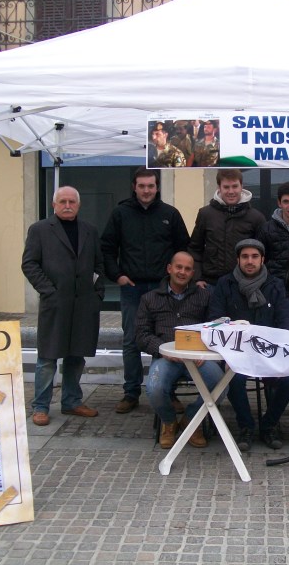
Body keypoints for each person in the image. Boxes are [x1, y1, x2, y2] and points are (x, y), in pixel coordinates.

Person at [101, 168, 190, 414]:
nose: (147, 190)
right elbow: (107, 247)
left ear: (157, 187)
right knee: (131, 340)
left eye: (151, 186)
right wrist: (117, 275)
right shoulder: (120, 213)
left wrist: (177, 278)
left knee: (165, 340)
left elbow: (183, 247)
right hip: (133, 288)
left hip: (164, 288)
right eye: (142, 186)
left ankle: (167, 391)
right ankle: (131, 393)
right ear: (134, 187)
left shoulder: (170, 214)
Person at [22, 185, 104, 426]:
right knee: (47, 358)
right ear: (54, 205)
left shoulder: (89, 230)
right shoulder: (39, 230)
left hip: (83, 305)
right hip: (55, 304)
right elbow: (29, 264)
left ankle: (72, 401)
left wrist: (96, 293)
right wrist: (49, 291)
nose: (67, 205)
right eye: (62, 201)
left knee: (76, 356)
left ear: (78, 205)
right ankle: (40, 406)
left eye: (72, 202)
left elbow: (99, 264)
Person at [208, 239, 289, 452]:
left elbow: (286, 322)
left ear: (262, 259)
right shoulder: (225, 284)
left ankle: (269, 425)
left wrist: (278, 351)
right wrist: (229, 355)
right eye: (245, 256)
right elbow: (215, 320)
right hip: (236, 354)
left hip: (268, 352)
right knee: (232, 378)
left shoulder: (274, 285)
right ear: (238, 259)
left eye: (254, 256)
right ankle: (246, 426)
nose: (250, 261)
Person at [138, 251, 224, 449]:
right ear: (169, 268)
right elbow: (141, 335)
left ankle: (192, 420)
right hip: (166, 357)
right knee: (154, 388)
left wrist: (205, 351)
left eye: (187, 269)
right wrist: (162, 350)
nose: (182, 272)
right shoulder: (149, 299)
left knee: (221, 385)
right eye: (178, 267)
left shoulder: (205, 296)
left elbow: (215, 328)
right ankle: (168, 422)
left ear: (193, 273)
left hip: (198, 358)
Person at [187, 169, 265, 287]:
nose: (231, 191)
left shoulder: (256, 217)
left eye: (235, 186)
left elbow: (264, 252)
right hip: (211, 284)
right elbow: (195, 249)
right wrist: (197, 278)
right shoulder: (205, 214)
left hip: (244, 284)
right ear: (219, 187)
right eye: (226, 187)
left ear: (241, 186)